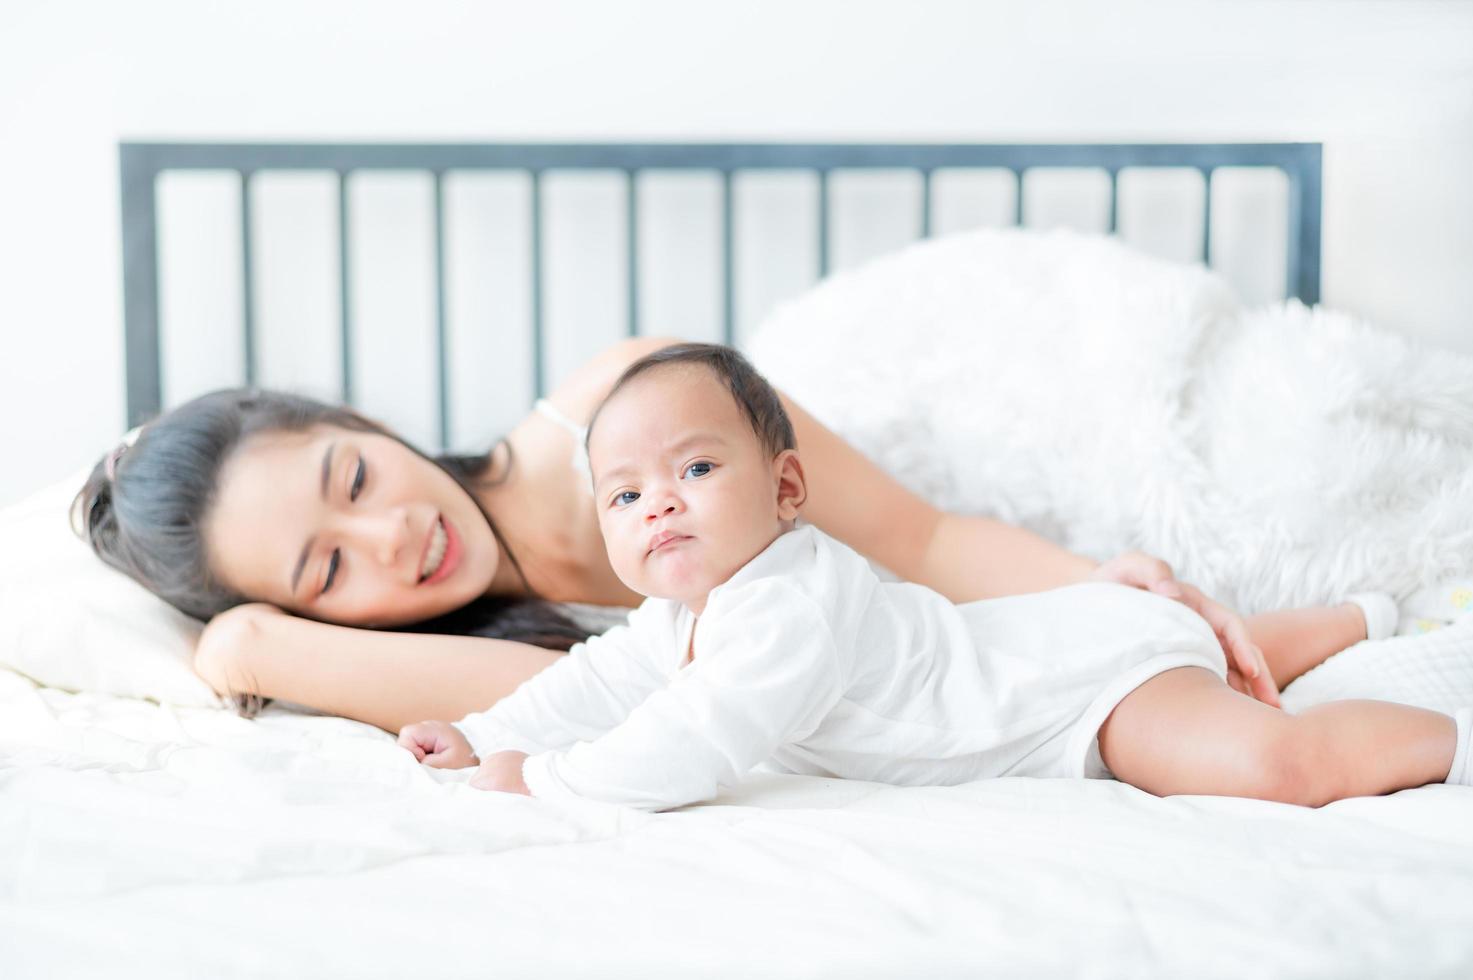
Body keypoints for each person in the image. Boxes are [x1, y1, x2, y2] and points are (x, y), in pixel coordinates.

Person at [76, 336, 1380, 734]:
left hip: (954, 642)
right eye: (325, 570)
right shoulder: (472, 654)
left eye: (353, 477)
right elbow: (564, 696)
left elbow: (923, 542)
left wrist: (1112, 591)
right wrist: (250, 641)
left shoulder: (627, 406)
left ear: (359, 421)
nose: (392, 534)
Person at [397, 343, 1470, 810]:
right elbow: (596, 681)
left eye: (695, 466)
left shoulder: (793, 598)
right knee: (1209, 651)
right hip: (1065, 635)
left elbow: (698, 737)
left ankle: (1447, 732)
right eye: (624, 494)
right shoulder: (679, 612)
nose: (659, 501)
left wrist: (545, 781)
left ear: (785, 487)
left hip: (1075, 701)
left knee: (1273, 760)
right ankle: (1367, 612)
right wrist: (491, 732)